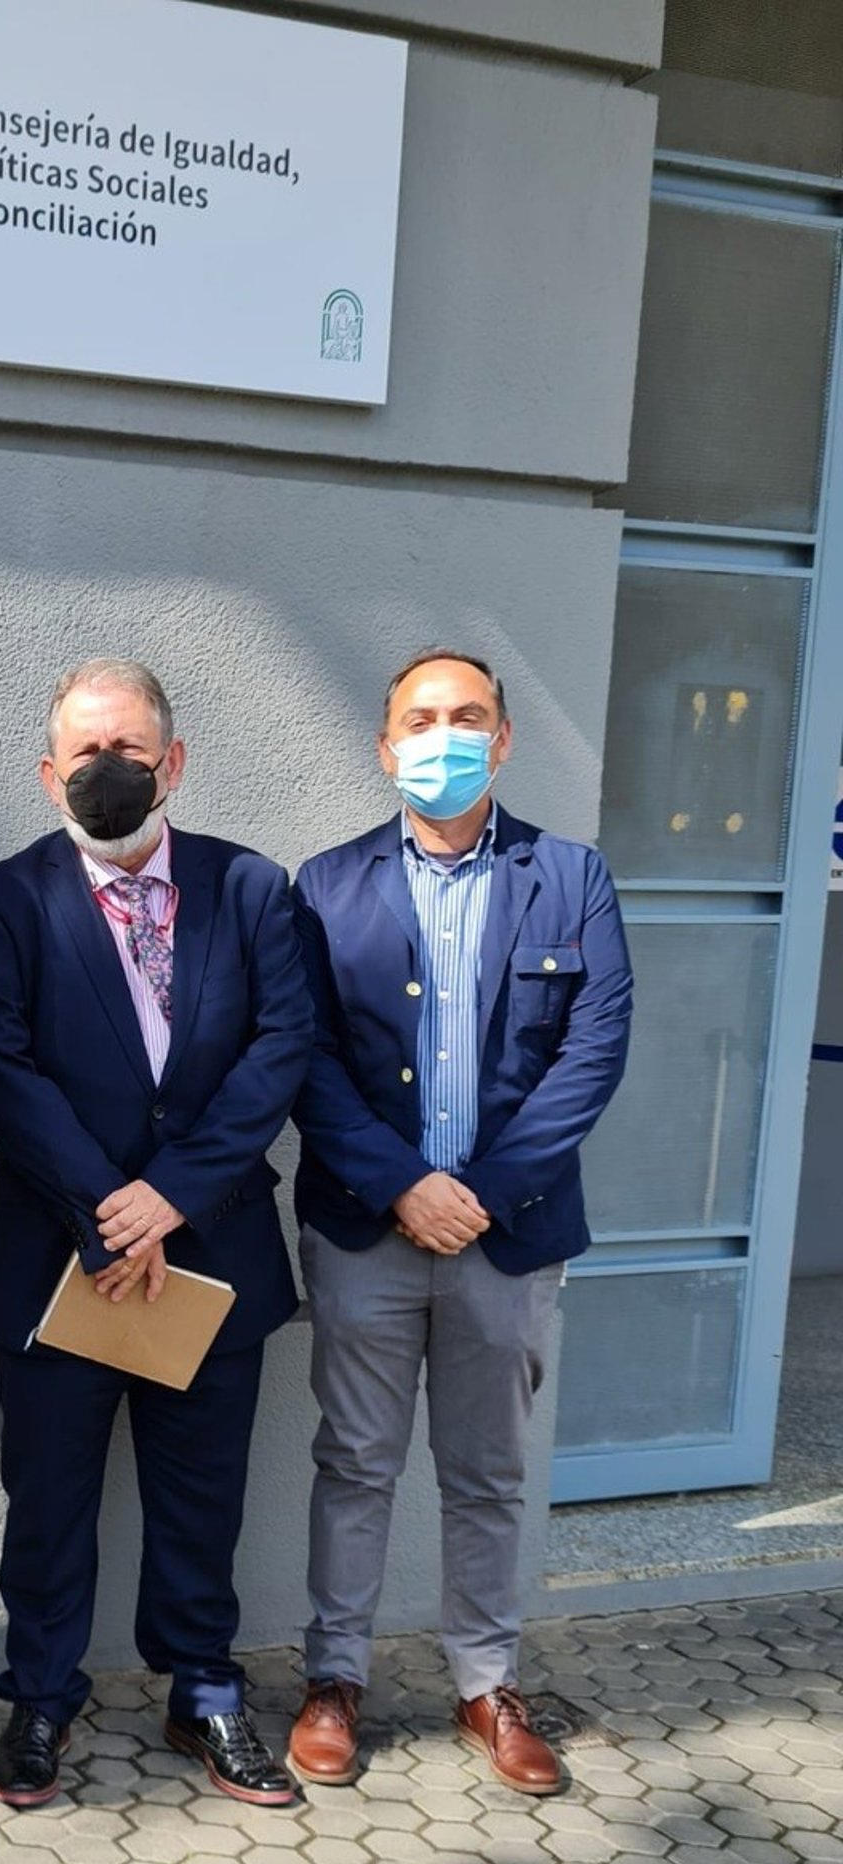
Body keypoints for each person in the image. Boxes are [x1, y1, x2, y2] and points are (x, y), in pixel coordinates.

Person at [0, 659, 314, 1811]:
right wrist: (110, 1211)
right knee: (49, 1500)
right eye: (86, 753)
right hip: (61, 1258)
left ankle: (204, 1689)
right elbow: (3, 1072)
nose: (108, 770)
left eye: (130, 750)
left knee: (203, 1499)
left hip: (212, 1251)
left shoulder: (252, 890)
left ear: (174, 763)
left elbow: (280, 1050)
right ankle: (40, 1695)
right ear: (49, 772)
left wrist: (170, 1197)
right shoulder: (4, 903)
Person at [290, 649, 632, 1793]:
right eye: (423, 719)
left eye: (468, 716)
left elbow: (592, 1052)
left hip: (508, 1234)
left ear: (504, 738)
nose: (445, 736)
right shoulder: (325, 886)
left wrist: (480, 1189)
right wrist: (403, 1183)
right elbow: (307, 1056)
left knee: (487, 1472)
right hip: (366, 1229)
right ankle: (334, 1678)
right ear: (387, 746)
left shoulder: (571, 877)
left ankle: (487, 1683)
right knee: (354, 1462)